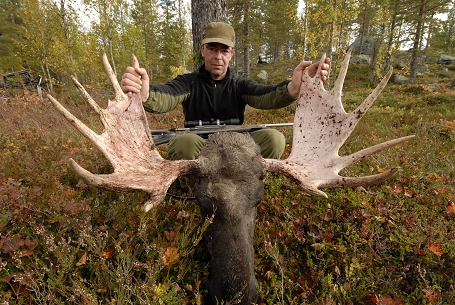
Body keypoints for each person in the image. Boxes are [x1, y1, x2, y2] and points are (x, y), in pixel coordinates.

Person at [121, 22, 330, 160]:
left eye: (224, 51)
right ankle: (198, 186)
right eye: (212, 49)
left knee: (274, 139)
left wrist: (294, 87)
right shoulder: (188, 82)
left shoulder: (240, 85)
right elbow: (166, 95)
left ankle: (248, 186)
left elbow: (267, 95)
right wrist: (145, 94)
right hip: (200, 147)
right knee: (184, 142)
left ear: (231, 54)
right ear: (203, 50)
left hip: (236, 146)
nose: (218, 57)